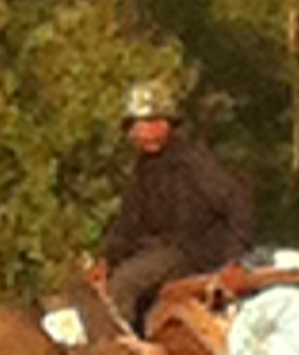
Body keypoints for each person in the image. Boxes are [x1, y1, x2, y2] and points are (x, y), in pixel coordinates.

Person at [102, 79, 256, 329]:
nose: (146, 130)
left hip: (193, 252)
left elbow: (237, 203)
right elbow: (129, 223)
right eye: (140, 124)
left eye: (154, 122)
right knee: (115, 277)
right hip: (161, 251)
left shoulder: (192, 162)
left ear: (168, 124)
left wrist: (234, 261)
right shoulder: (144, 168)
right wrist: (107, 259)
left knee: (124, 283)